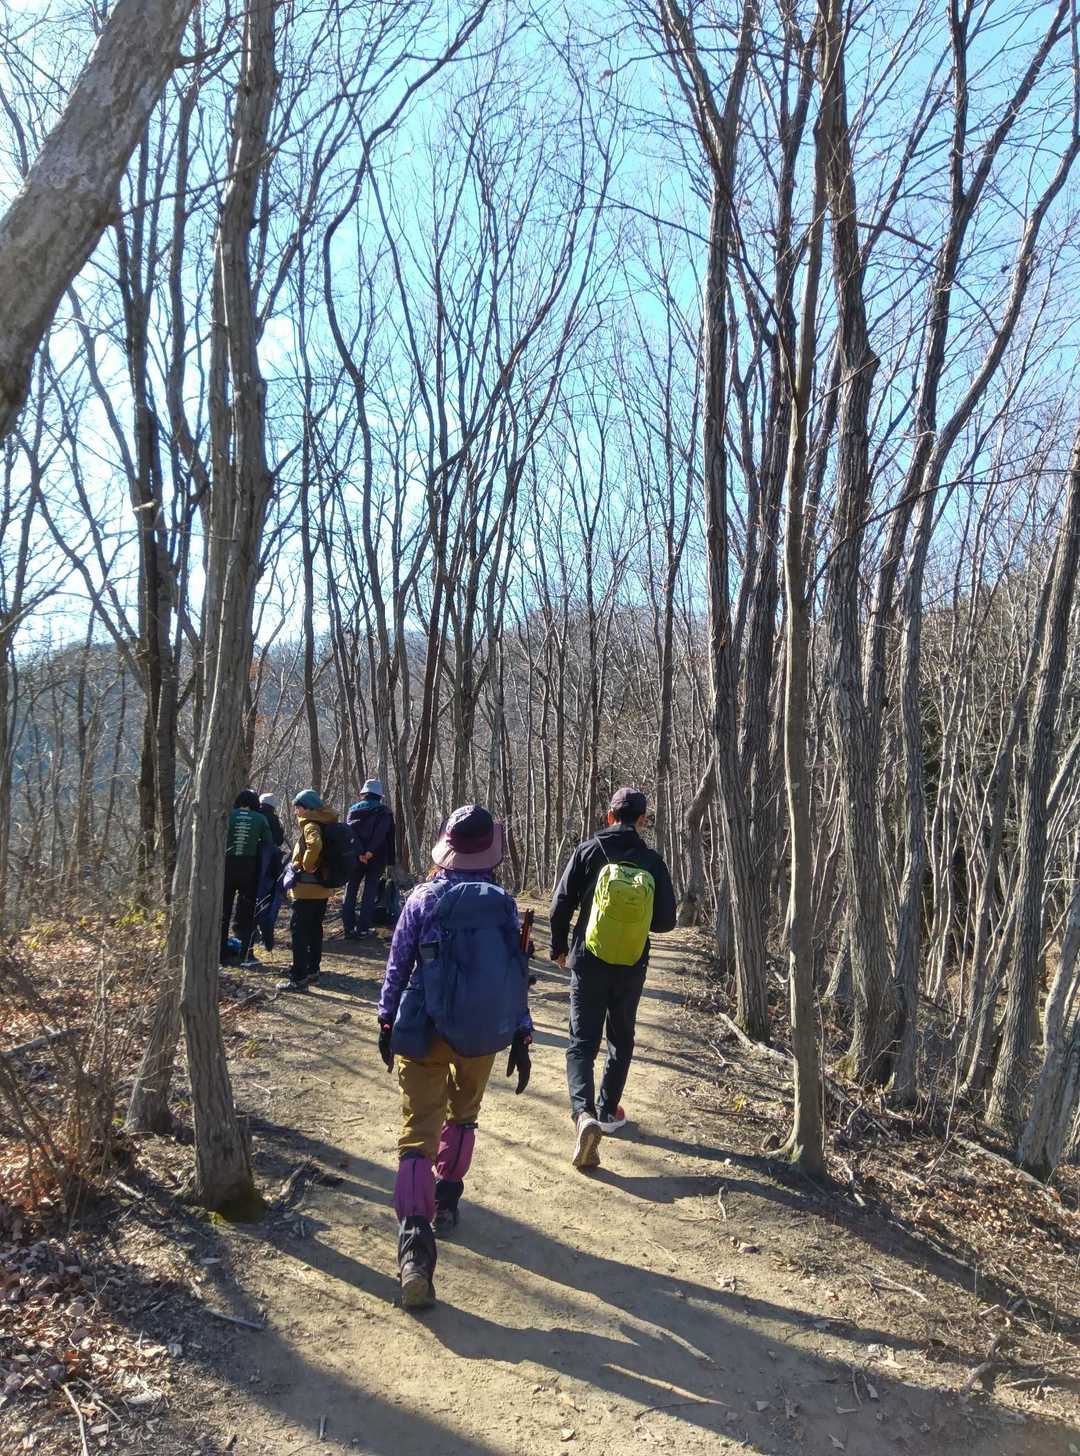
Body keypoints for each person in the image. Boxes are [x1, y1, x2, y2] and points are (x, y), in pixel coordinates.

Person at [377, 804, 533, 1310]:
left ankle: (415, 1253)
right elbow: (513, 973)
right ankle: (446, 1200)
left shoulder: (422, 898)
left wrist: (386, 1020)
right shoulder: (503, 904)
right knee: (463, 1115)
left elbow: (398, 965)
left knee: (416, 1134)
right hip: (481, 1032)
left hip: (423, 1027)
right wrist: (522, 1032)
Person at [549, 786, 677, 1171]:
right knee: (621, 1037)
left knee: (581, 1041)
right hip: (631, 963)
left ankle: (583, 1114)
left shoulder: (588, 851)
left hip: (588, 959)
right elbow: (666, 921)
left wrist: (559, 948)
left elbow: (560, 904)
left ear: (609, 816)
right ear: (642, 820)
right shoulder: (652, 861)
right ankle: (607, 1110)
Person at [277, 789, 337, 992]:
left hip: (306, 890)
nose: (295, 811)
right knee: (314, 930)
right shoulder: (324, 822)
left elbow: (314, 845)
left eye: (297, 807)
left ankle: (299, 978)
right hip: (321, 889)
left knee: (300, 933)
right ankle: (313, 971)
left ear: (306, 808)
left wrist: (305, 865)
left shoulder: (311, 825)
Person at [221, 789, 272, 969]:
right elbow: (268, 842)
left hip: (226, 865)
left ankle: (220, 952)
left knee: (223, 910)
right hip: (249, 868)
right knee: (247, 910)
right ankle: (246, 953)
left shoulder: (228, 815)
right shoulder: (260, 819)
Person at [342, 778, 395, 939]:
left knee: (351, 889)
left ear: (364, 793)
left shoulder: (353, 810)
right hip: (377, 857)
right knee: (370, 891)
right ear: (379, 796)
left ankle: (348, 928)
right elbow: (381, 833)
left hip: (355, 857)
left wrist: (360, 853)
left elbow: (349, 833)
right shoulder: (384, 812)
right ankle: (363, 929)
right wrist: (370, 852)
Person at [255, 793, 287, 951]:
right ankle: (266, 930)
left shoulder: (255, 816)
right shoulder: (274, 819)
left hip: (253, 863)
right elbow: (279, 840)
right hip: (271, 865)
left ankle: (252, 932)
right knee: (270, 897)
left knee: (253, 897)